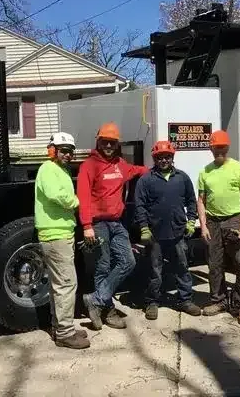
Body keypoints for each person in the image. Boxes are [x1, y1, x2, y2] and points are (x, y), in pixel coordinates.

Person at [77, 122, 148, 330]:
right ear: (98, 142)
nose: (108, 145)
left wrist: (153, 172)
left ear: (117, 145)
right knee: (102, 266)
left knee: (128, 261)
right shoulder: (89, 165)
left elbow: (136, 170)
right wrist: (87, 225)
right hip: (97, 224)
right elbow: (82, 196)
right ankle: (106, 311)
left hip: (116, 223)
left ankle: (96, 300)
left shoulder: (120, 164)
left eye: (112, 143)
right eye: (105, 142)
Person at [134, 141, 202, 320]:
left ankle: (185, 300)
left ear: (172, 158)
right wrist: (143, 228)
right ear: (155, 159)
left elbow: (191, 200)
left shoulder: (182, 177)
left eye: (167, 157)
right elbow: (139, 206)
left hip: (178, 232)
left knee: (182, 267)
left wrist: (191, 221)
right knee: (155, 270)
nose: (164, 160)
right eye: (160, 157)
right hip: (155, 234)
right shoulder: (146, 180)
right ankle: (152, 302)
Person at [35, 132, 90, 349]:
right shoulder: (48, 169)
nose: (67, 155)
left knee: (59, 284)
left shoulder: (60, 170)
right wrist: (78, 202)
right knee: (67, 283)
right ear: (52, 150)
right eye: (63, 150)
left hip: (60, 232)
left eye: (70, 151)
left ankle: (61, 326)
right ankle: (65, 334)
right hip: (55, 233)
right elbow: (56, 195)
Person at [197, 130, 240, 325]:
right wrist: (203, 225)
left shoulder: (238, 169)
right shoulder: (205, 171)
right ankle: (218, 301)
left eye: (222, 147)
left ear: (227, 147)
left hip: (234, 220)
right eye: (216, 147)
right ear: (210, 148)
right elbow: (201, 200)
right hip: (213, 222)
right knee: (214, 264)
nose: (219, 150)